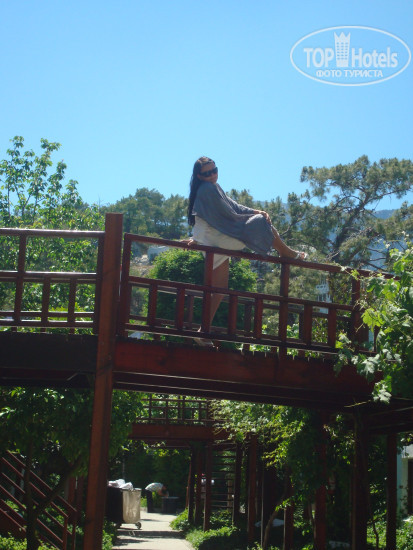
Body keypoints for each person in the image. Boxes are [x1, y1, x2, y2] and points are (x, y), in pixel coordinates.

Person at [186, 156, 307, 347]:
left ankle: (203, 331)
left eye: (214, 170)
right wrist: (256, 217)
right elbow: (229, 213)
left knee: (219, 288)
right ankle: (288, 253)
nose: (212, 175)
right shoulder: (207, 188)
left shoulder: (210, 187)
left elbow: (233, 206)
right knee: (261, 224)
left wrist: (256, 211)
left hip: (210, 237)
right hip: (215, 236)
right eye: (207, 173)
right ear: (199, 176)